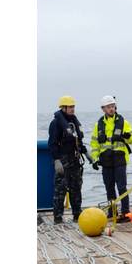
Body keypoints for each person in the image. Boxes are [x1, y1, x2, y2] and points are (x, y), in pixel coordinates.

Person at [48, 95, 95, 224]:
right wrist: (56, 160)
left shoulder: (74, 122)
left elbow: (78, 141)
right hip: (62, 160)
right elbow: (52, 143)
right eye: (70, 107)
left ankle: (77, 214)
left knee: (76, 188)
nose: (72, 109)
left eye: (73, 106)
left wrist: (86, 154)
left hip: (75, 159)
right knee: (60, 189)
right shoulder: (56, 123)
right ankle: (58, 217)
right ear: (63, 108)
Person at [90, 95, 132, 223]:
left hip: (120, 159)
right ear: (103, 109)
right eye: (108, 107)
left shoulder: (123, 122)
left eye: (112, 106)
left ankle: (126, 212)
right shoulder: (98, 125)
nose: (111, 109)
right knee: (109, 187)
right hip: (106, 160)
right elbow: (94, 144)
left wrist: (127, 136)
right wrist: (95, 159)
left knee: (122, 187)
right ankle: (112, 212)